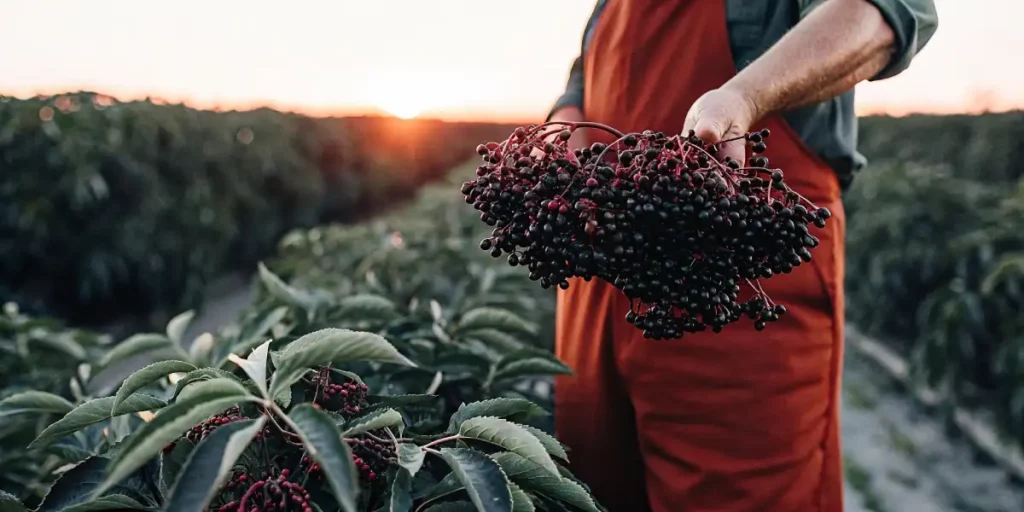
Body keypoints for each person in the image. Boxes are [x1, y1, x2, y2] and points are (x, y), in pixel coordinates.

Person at [547, 1, 938, 511]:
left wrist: (743, 98)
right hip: (596, 273)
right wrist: (563, 125)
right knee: (588, 490)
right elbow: (587, 68)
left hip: (736, 271)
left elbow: (882, 13)